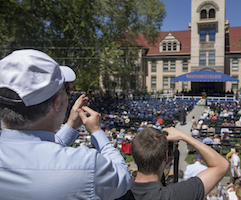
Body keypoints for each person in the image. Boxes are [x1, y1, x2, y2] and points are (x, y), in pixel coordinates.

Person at [0, 49, 131, 199]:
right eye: (65, 88)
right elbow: (123, 178)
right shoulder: (86, 165)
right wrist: (96, 132)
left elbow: (40, 151)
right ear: (57, 103)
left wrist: (71, 126)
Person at [119, 127, 229, 200]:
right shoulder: (177, 195)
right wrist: (183, 136)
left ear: (133, 155)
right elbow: (221, 165)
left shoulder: (116, 192)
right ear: (166, 157)